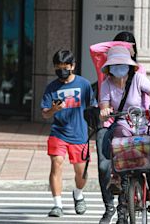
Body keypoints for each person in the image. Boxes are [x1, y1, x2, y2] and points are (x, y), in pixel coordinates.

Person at [98, 45, 150, 224]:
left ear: (129, 65)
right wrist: (105, 110)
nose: (119, 68)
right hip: (122, 123)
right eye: (115, 65)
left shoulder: (139, 79)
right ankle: (117, 177)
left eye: (122, 64)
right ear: (109, 67)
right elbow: (104, 106)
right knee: (118, 135)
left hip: (142, 124)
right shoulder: (106, 84)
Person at [41, 49, 97, 217]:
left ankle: (78, 195)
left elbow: (92, 106)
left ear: (73, 66)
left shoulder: (84, 84)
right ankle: (57, 204)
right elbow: (44, 113)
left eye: (65, 67)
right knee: (56, 162)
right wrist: (53, 109)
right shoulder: (51, 87)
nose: (61, 71)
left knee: (81, 172)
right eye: (58, 68)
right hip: (58, 132)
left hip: (80, 134)